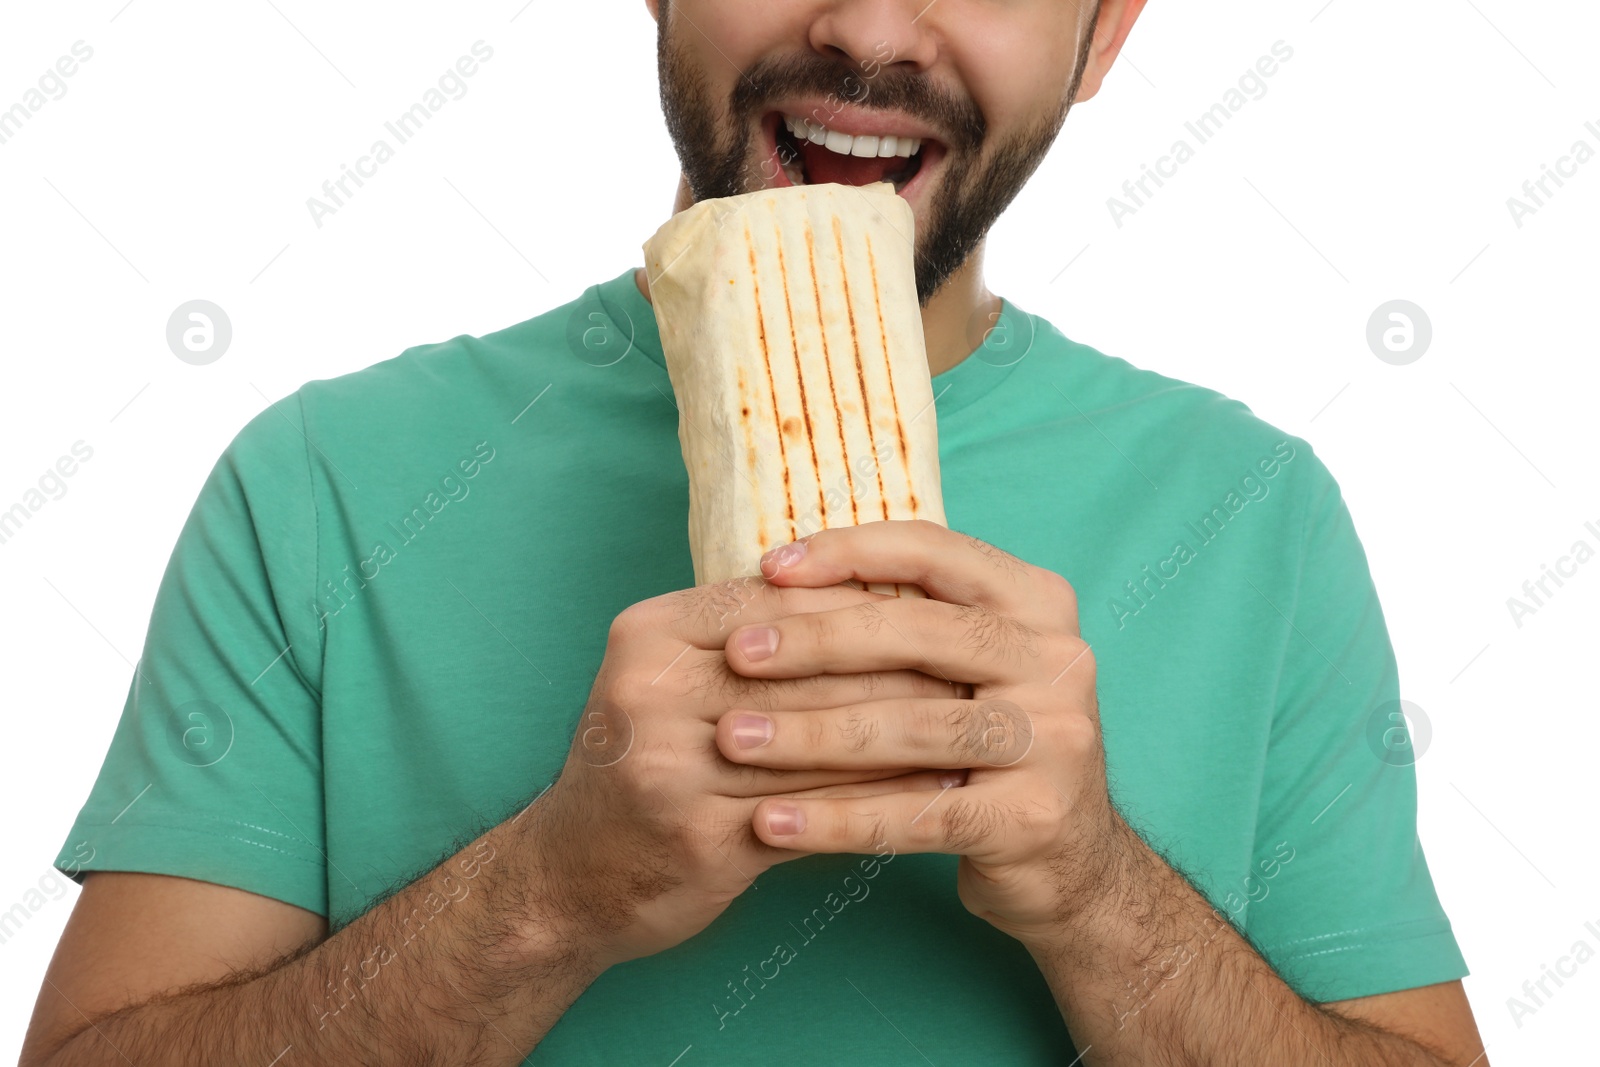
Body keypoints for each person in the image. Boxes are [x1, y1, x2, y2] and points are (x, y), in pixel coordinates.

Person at [22, 1, 1489, 1063]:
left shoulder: (1252, 512)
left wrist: (1098, 892)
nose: (868, 32)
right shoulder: (324, 481)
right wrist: (544, 894)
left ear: (1105, 34)